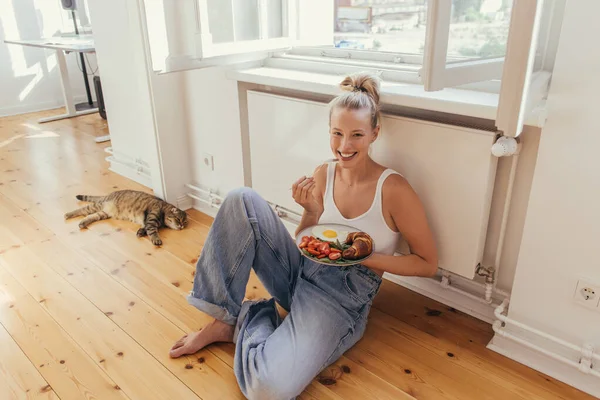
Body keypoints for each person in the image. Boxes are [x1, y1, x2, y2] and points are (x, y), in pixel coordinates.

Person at [169, 72, 438, 400]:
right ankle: (222, 318)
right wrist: (310, 213)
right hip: (304, 271)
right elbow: (305, 241)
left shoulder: (394, 189)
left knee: (266, 390)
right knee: (241, 198)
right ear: (329, 131)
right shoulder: (324, 172)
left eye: (356, 135)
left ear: (374, 133)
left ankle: (248, 320)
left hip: (342, 299)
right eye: (337, 133)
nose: (344, 146)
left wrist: (363, 256)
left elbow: (427, 263)